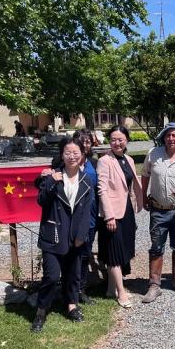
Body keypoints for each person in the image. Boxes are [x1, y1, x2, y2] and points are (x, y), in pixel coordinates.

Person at [31, 138, 93, 332]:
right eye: (68, 153)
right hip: (53, 234)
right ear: (61, 155)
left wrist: (82, 235)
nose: (72, 156)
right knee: (51, 275)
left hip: (76, 237)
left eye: (76, 153)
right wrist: (51, 182)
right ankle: (41, 311)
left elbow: (86, 213)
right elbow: (41, 201)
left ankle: (71, 305)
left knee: (73, 274)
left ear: (82, 155)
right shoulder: (53, 176)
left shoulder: (86, 181)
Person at [141, 122, 175, 303]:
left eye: (174, 135)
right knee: (156, 246)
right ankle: (154, 285)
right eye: (168, 135)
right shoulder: (153, 154)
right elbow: (145, 174)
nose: (171, 139)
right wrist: (143, 195)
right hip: (158, 210)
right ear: (164, 138)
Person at [97, 126, 142, 308]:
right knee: (114, 252)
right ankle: (121, 293)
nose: (117, 143)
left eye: (121, 139)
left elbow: (130, 185)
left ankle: (110, 289)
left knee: (122, 249)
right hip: (112, 213)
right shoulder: (104, 161)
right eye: (114, 139)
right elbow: (102, 189)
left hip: (127, 211)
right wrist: (109, 216)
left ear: (126, 141)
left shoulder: (128, 159)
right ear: (109, 141)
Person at [73, 129, 99, 304]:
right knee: (70, 254)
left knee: (84, 254)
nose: (85, 144)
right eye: (82, 141)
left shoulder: (95, 164)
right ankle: (70, 289)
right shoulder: (66, 161)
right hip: (71, 217)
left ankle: (81, 289)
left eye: (88, 141)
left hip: (90, 217)